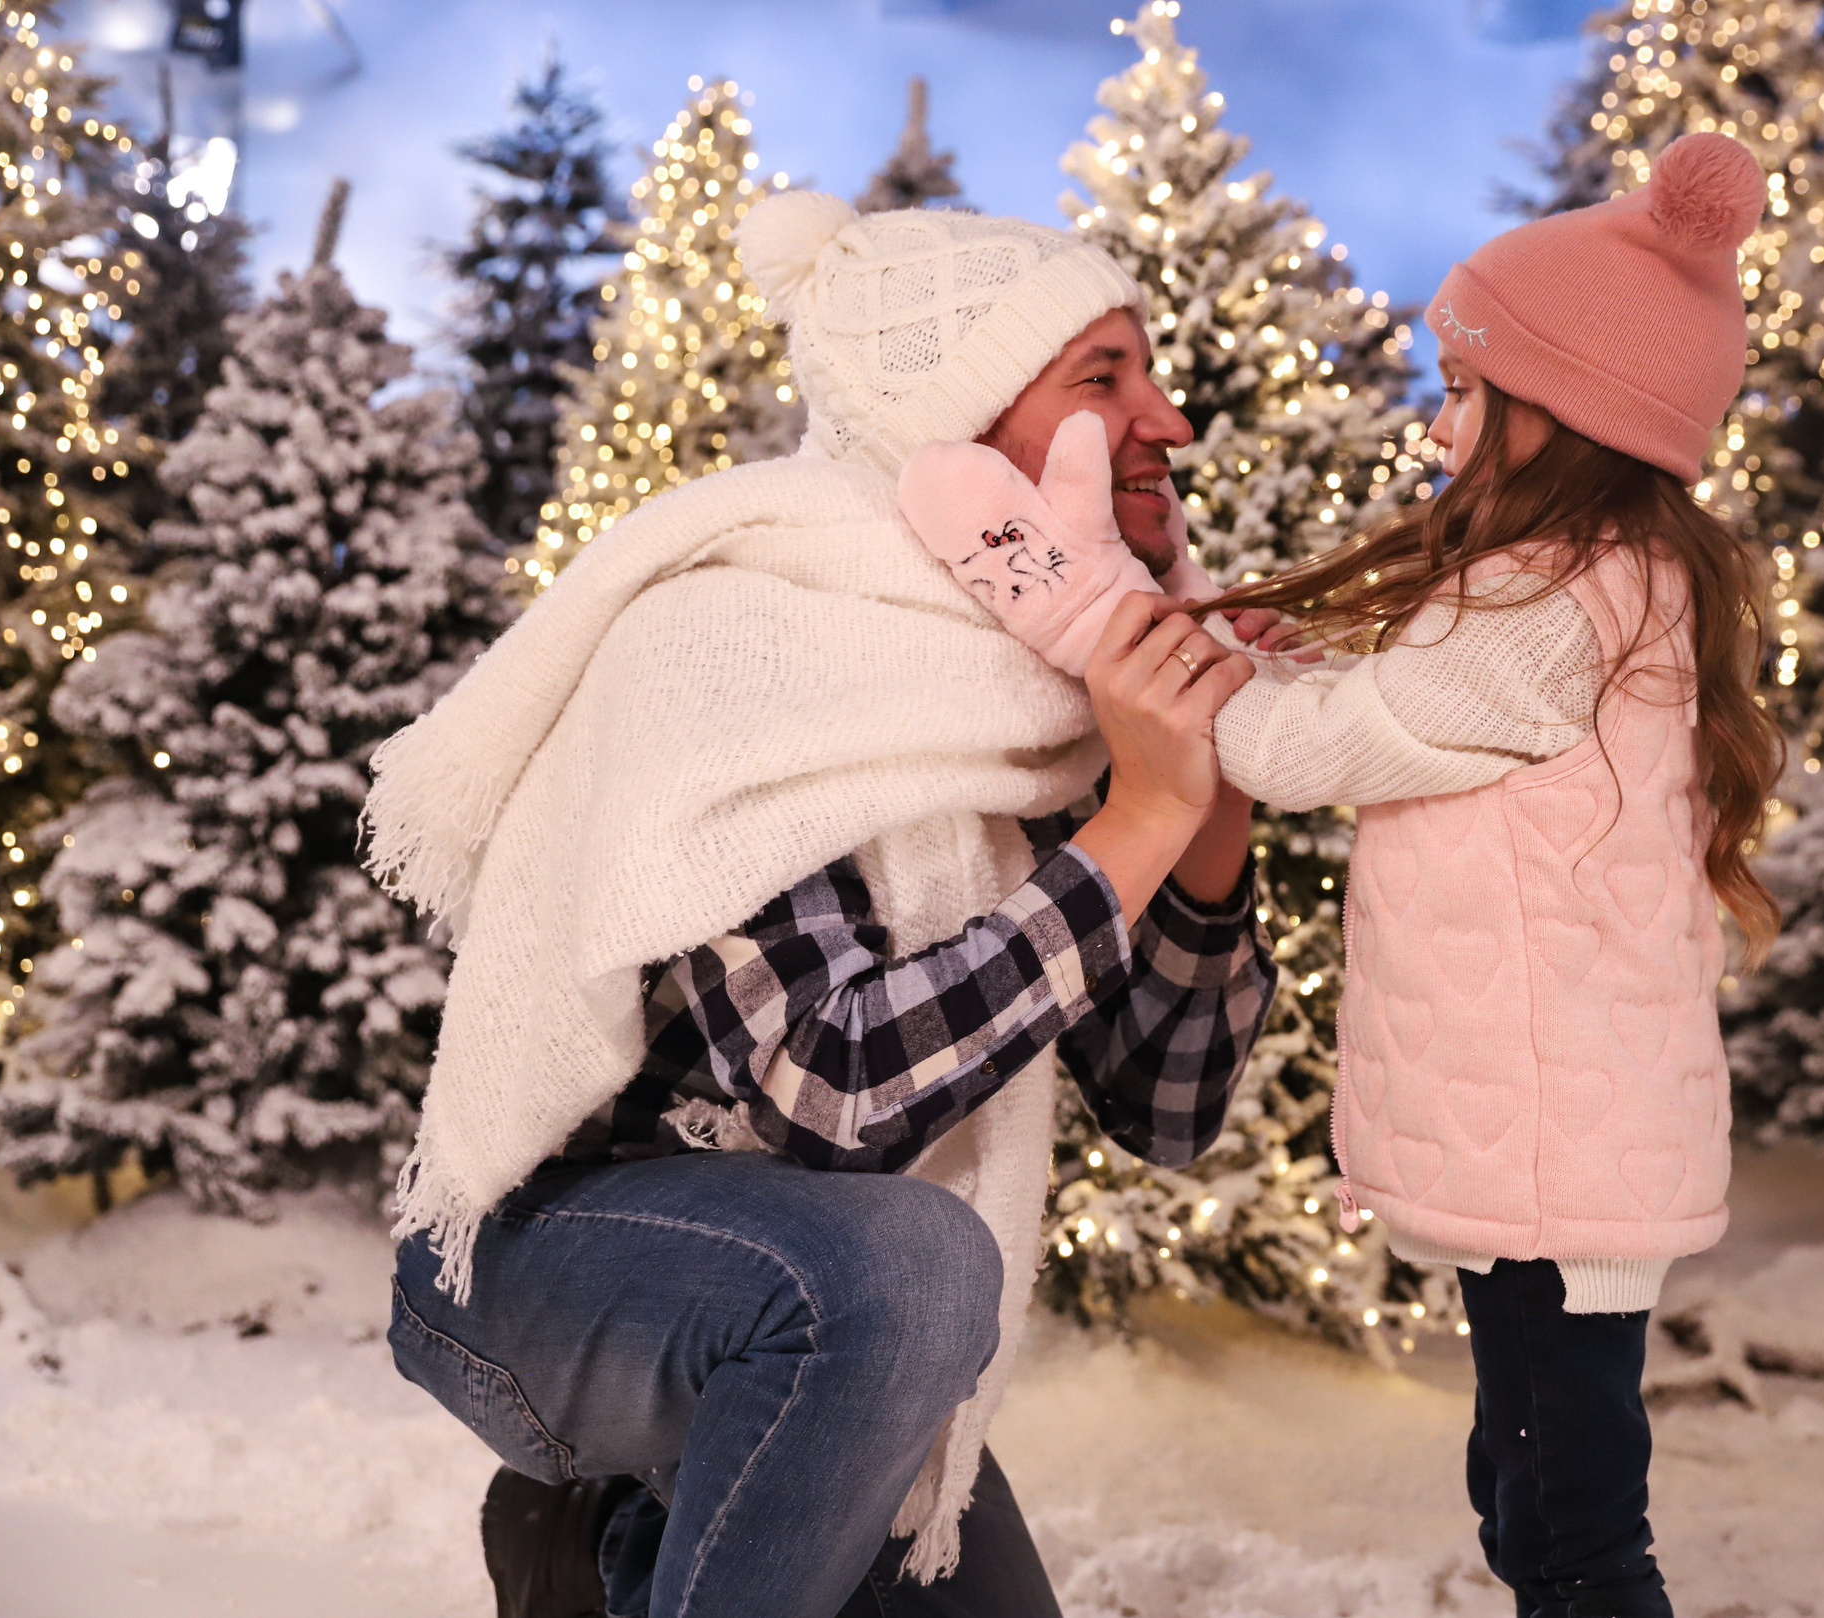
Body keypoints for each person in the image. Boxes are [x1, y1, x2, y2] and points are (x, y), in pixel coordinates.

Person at [361, 190, 1285, 1618]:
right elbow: (831, 1085)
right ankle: (604, 1519)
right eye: (1104, 377)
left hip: (837, 1318)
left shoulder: (1040, 688)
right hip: (554, 1263)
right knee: (909, 1262)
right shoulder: (741, 637)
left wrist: (1204, 794)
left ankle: (631, 1541)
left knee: (895, 1291)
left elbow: (1171, 1107)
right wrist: (1139, 818)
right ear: (959, 423)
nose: (1167, 418)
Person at [1199, 132, 1789, 1618]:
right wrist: (1309, 655)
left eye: (1468, 388)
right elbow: (1429, 710)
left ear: (1574, 405)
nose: (1442, 425)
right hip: (1560, 1147)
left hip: (1550, 1163)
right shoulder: (1597, 584)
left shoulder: (1547, 613)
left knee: (1571, 1533)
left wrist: (1164, 668)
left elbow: (1311, 751)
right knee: (1536, 1492)